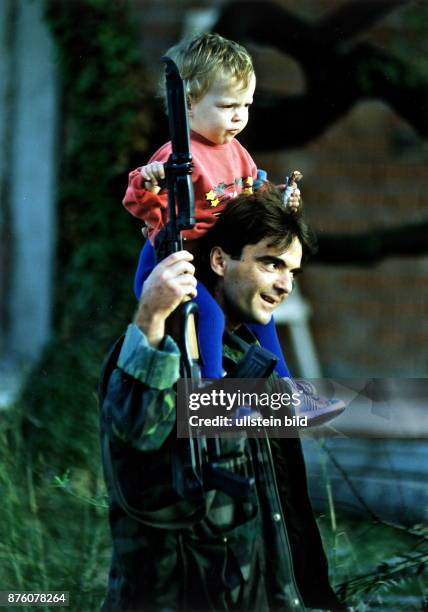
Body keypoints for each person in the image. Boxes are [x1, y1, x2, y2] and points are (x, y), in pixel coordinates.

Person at [99, 187, 345, 611]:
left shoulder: (250, 358)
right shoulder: (161, 348)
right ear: (218, 260)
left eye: (292, 271)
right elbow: (133, 434)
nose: (285, 284)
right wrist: (151, 318)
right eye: (271, 263)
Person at [122, 32, 301, 380]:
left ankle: (289, 389)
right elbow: (140, 204)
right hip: (178, 261)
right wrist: (151, 182)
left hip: (217, 261)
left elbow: (253, 197)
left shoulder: (237, 152)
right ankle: (212, 386)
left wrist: (279, 198)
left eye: (246, 105)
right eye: (227, 106)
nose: (238, 117)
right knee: (212, 317)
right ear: (189, 103)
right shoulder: (176, 155)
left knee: (263, 315)